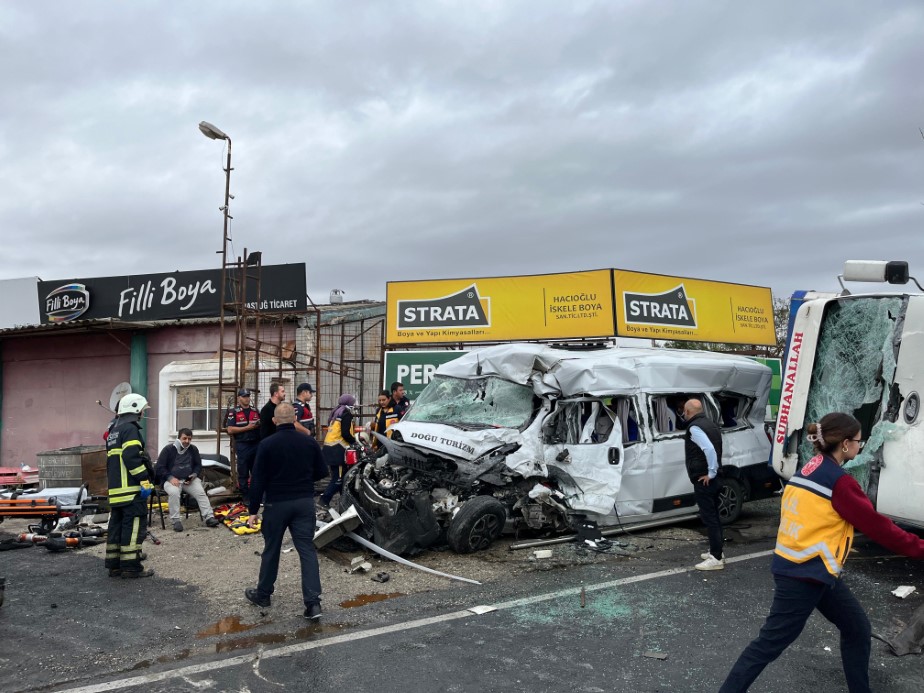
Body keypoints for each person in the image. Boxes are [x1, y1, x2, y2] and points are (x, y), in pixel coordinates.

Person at [719, 412, 924, 693]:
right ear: (844, 445)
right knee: (767, 645)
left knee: (857, 630)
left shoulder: (809, 468)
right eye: (858, 442)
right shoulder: (839, 483)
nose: (859, 447)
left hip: (814, 570)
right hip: (802, 575)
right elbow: (881, 529)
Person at [244, 402, 328, 619]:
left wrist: (253, 510)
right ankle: (313, 603)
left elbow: (258, 480)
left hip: (276, 504)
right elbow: (321, 472)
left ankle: (263, 594)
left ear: (274, 421)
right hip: (303, 502)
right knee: (307, 550)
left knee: (271, 549)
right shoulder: (309, 442)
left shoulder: (267, 445)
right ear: (294, 419)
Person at [105, 393, 155, 579]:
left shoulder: (113, 431)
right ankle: (131, 567)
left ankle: (115, 565)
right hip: (130, 491)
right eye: (141, 410)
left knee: (116, 526)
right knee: (133, 527)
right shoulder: (130, 430)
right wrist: (144, 479)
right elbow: (131, 457)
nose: (142, 413)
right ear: (135, 409)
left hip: (116, 491)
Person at [683, 398, 726, 571]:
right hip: (715, 479)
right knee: (715, 516)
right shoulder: (710, 423)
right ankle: (717, 552)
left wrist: (711, 473)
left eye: (684, 411)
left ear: (687, 412)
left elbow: (709, 449)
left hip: (705, 480)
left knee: (710, 518)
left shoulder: (694, 427)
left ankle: (716, 558)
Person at [153, 428, 221, 532]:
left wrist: (193, 475)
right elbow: (159, 467)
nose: (187, 441)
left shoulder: (193, 449)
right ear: (179, 438)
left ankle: (209, 517)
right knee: (174, 493)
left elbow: (198, 465)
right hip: (171, 480)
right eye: (184, 438)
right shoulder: (168, 449)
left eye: (189, 439)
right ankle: (176, 521)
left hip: (188, 480)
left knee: (200, 492)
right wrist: (170, 478)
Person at [319, 394, 357, 508]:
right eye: (353, 403)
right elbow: (345, 433)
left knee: (341, 477)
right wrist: (354, 442)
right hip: (337, 450)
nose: (354, 405)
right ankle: (324, 500)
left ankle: (345, 501)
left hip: (330, 448)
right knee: (338, 478)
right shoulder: (346, 414)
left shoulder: (337, 413)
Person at [225, 388, 261, 502]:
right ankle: (245, 496)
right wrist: (247, 428)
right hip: (242, 444)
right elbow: (230, 430)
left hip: (256, 443)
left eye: (248, 396)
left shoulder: (255, 411)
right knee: (243, 470)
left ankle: (257, 495)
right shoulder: (233, 412)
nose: (247, 398)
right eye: (244, 396)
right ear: (239, 398)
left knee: (256, 471)